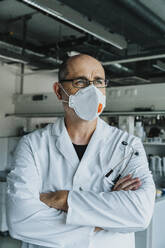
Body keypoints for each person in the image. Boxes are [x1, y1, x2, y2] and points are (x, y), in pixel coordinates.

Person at [6, 54, 155, 248]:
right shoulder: (33, 145)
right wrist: (108, 218)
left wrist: (63, 199)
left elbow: (140, 213)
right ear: (59, 92)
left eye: (98, 81)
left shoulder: (128, 146)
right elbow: (20, 220)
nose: (92, 90)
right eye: (80, 82)